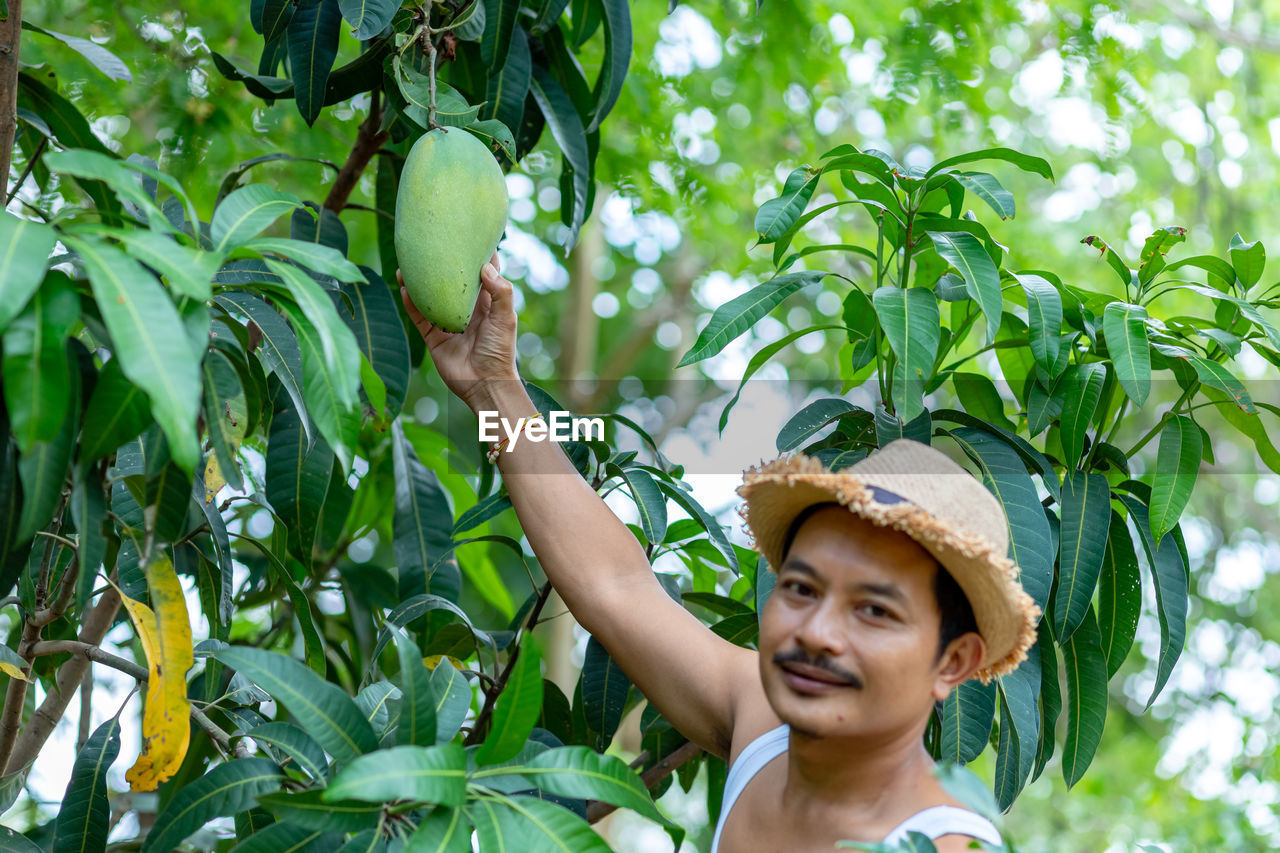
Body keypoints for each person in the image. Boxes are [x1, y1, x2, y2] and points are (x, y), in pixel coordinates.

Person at [398, 257, 1041, 851]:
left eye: (874, 610)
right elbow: (615, 585)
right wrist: (493, 387)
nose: (816, 633)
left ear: (954, 661)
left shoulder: (941, 844)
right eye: (801, 589)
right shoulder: (763, 722)